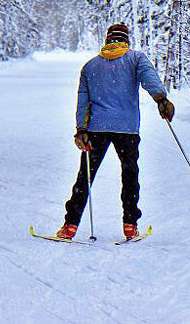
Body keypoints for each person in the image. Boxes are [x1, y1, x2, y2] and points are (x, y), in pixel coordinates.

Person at [55, 22, 175, 241]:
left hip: (96, 129)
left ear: (107, 41)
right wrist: (161, 99)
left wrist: (81, 129)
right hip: (127, 128)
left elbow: (83, 101)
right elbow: (149, 80)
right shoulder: (136, 59)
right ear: (125, 40)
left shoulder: (90, 66)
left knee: (85, 176)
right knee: (130, 174)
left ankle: (69, 226)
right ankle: (130, 225)